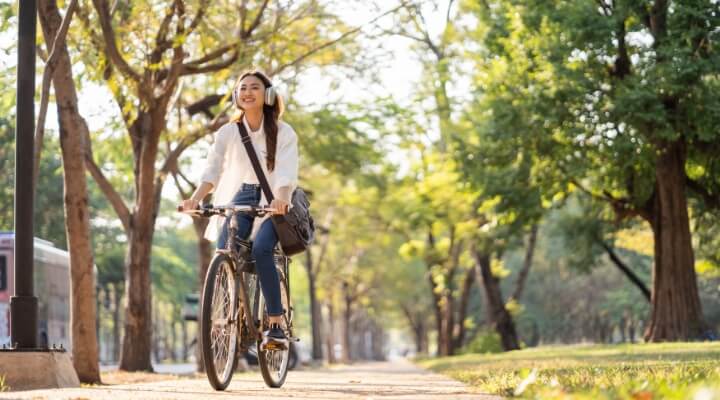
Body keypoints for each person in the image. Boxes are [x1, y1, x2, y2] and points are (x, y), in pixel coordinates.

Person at [180, 70, 298, 349]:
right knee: (225, 251)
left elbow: (285, 172)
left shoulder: (284, 132)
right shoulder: (228, 132)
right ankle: (233, 312)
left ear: (267, 94)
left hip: (273, 201)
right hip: (241, 194)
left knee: (261, 250)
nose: (247, 92)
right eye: (242, 88)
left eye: (254, 87)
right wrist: (195, 199)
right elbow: (213, 168)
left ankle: (275, 323)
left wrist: (280, 200)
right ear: (236, 96)